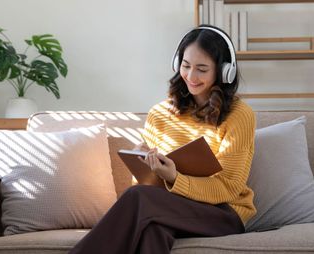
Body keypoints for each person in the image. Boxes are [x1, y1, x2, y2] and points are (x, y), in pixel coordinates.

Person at [69, 25, 256, 254]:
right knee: (152, 230)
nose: (191, 76)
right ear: (177, 64)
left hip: (223, 212)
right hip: (169, 209)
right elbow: (145, 188)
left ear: (224, 71)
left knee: (139, 200)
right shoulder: (159, 114)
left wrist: (175, 177)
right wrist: (144, 165)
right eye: (186, 66)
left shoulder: (240, 115)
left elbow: (228, 187)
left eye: (202, 69)